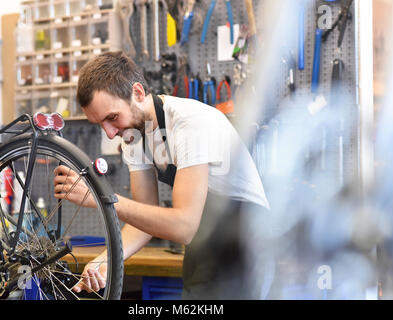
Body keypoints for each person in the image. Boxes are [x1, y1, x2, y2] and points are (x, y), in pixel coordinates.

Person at [53, 51, 270, 299]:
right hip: (204, 245)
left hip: (246, 244)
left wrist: (104, 197)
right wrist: (105, 261)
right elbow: (144, 223)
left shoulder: (191, 123)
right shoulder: (134, 136)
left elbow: (183, 226)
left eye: (112, 118)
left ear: (137, 93)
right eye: (101, 124)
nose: (110, 133)